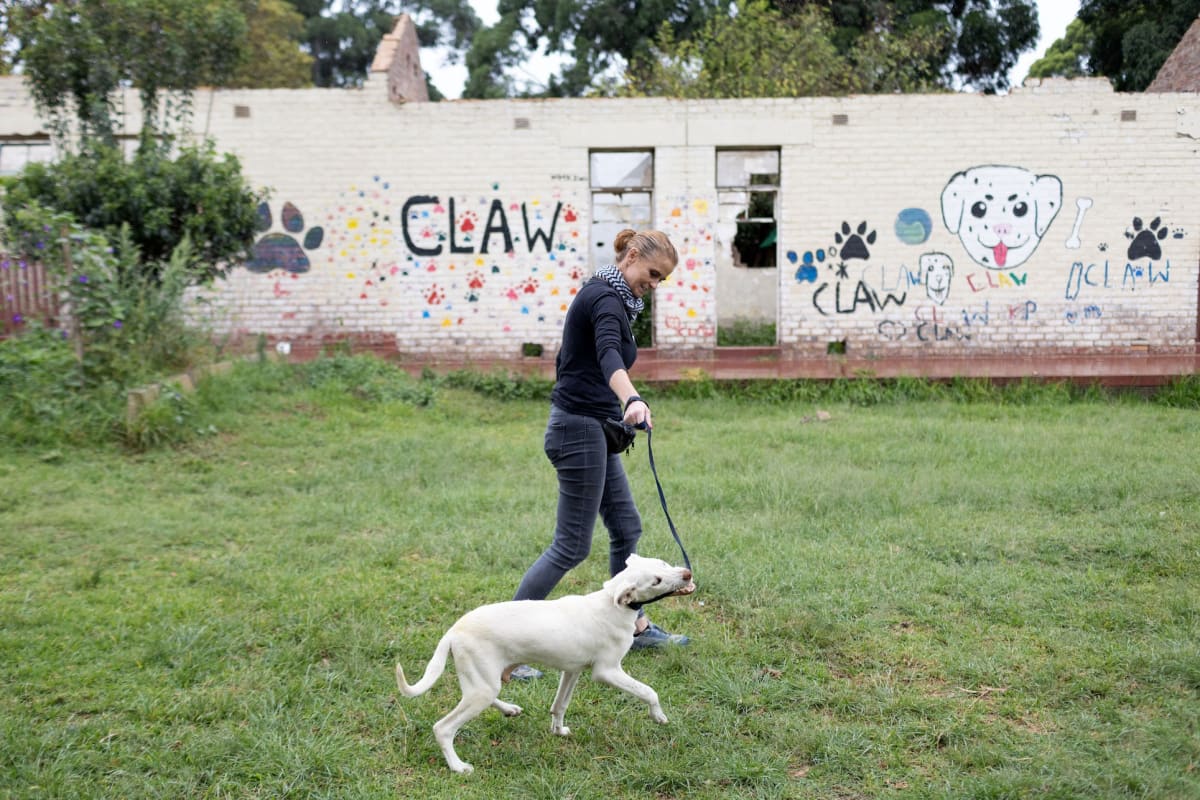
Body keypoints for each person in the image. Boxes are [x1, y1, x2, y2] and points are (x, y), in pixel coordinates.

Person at [509, 228, 687, 680]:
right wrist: (631, 399)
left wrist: (617, 409)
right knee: (571, 546)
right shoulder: (605, 298)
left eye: (661, 279)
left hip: (594, 429)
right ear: (630, 256)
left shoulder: (615, 297)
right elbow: (610, 355)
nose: (654, 283)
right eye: (652, 273)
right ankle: (509, 643)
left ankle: (636, 624)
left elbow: (592, 361)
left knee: (626, 526)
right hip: (577, 431)